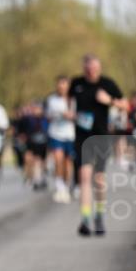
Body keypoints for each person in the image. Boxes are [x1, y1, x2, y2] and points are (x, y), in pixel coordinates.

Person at [71, 54, 126, 236]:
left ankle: (99, 216)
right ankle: (85, 219)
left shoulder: (108, 84)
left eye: (95, 68)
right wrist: (69, 114)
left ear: (99, 68)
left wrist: (109, 101)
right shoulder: (76, 84)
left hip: (101, 136)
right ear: (84, 68)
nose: (92, 71)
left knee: (99, 179)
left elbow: (126, 106)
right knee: (84, 176)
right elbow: (68, 103)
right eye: (88, 68)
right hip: (82, 137)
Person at [44, 75, 76, 203]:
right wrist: (61, 114)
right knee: (58, 160)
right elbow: (48, 115)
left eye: (64, 84)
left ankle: (66, 186)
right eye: (60, 84)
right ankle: (59, 187)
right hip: (56, 134)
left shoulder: (74, 99)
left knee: (68, 163)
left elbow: (80, 115)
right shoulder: (52, 99)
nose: (62, 87)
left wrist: (73, 116)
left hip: (71, 135)